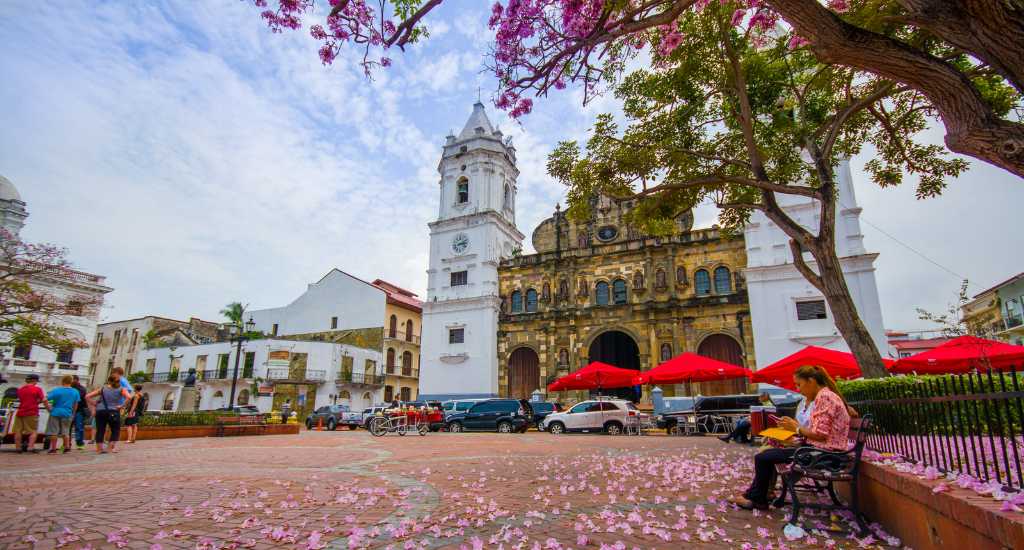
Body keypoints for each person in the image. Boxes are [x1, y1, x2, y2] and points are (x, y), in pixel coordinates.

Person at [730, 365, 851, 511]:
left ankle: (757, 499)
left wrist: (796, 428)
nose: (798, 389)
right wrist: (794, 428)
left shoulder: (825, 397)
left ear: (811, 381)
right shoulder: (825, 396)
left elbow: (820, 434)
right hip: (821, 451)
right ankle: (755, 496)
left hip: (824, 455)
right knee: (766, 455)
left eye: (799, 384)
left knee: (763, 458)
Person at [86, 375, 131, 454]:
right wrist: (121, 406)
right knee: (115, 430)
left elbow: (87, 396)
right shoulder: (121, 389)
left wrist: (94, 403)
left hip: (100, 411)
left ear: (109, 381)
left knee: (100, 430)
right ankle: (109, 448)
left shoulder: (103, 389)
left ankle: (99, 449)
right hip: (113, 411)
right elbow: (129, 397)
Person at [13, 373, 50, 453]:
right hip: (32, 412)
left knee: (18, 431)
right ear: (34, 380)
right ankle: (30, 447)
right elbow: (44, 400)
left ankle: (18, 448)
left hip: (20, 412)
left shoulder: (20, 389)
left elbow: (24, 400)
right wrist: (48, 409)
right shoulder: (37, 389)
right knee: (33, 431)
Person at [45, 375, 81, 454]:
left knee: (54, 431)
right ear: (71, 382)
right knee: (66, 431)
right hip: (68, 412)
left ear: (62, 381)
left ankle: (53, 448)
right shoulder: (75, 391)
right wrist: (73, 413)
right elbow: (75, 404)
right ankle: (67, 447)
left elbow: (45, 399)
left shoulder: (56, 390)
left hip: (55, 412)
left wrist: (48, 408)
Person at [71, 375, 89, 450]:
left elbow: (78, 398)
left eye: (72, 380)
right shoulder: (70, 388)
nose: (71, 382)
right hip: (70, 410)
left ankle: (79, 443)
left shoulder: (81, 389)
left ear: (76, 380)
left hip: (79, 410)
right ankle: (67, 443)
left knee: (79, 427)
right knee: (68, 427)